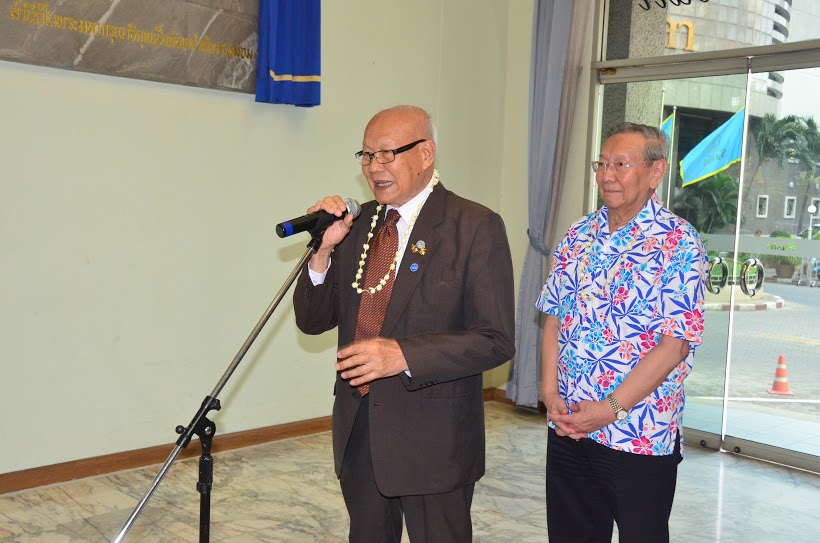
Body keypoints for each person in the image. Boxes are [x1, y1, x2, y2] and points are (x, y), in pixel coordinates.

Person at [293, 105, 515, 542]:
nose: (373, 167)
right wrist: (322, 250)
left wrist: (403, 355)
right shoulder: (355, 227)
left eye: (386, 154)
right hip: (359, 428)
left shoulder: (474, 226)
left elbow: (496, 339)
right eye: (366, 155)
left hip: (434, 438)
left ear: (426, 154)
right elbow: (313, 321)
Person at [536, 123, 707, 543]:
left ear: (655, 172)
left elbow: (674, 346)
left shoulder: (679, 242)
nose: (607, 175)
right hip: (570, 425)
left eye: (621, 165)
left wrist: (610, 409)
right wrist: (549, 392)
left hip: (639, 435)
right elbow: (554, 317)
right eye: (602, 164)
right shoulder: (578, 234)